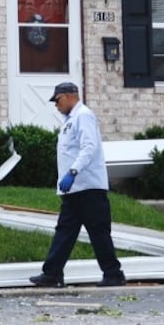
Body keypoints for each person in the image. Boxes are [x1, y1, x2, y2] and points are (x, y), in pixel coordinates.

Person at [29, 81, 127, 288]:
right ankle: (53, 273)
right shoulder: (69, 120)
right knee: (65, 231)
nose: (56, 105)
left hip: (88, 187)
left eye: (57, 100)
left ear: (68, 96)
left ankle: (113, 274)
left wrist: (73, 172)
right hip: (75, 189)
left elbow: (89, 147)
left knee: (98, 231)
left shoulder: (83, 115)